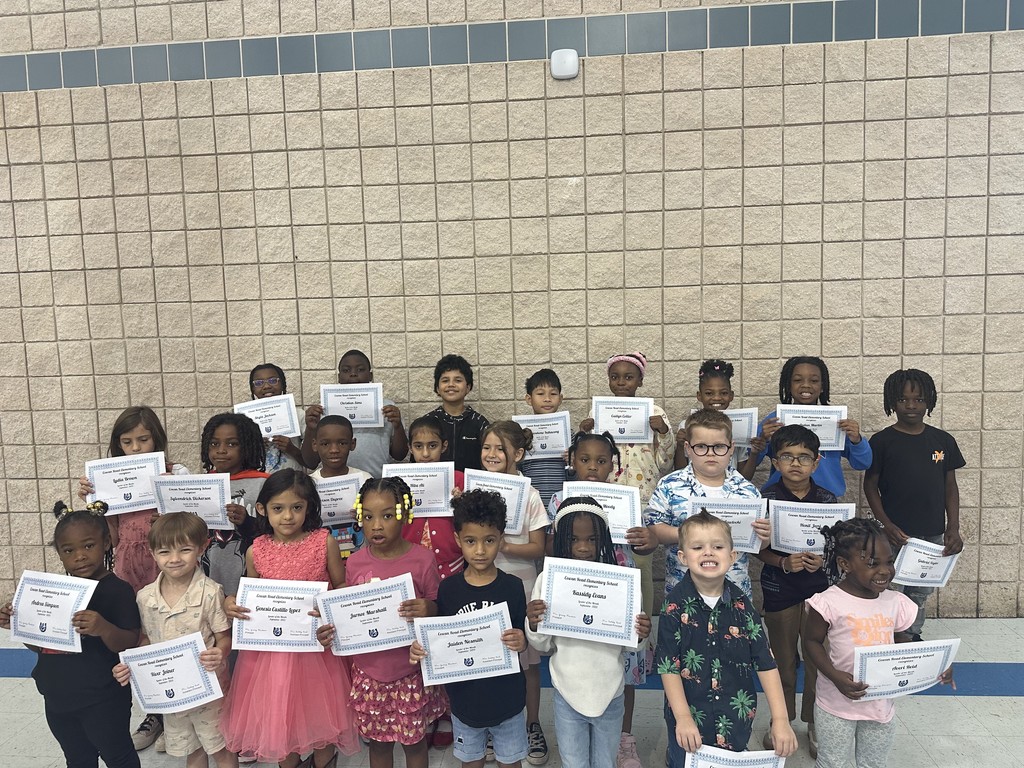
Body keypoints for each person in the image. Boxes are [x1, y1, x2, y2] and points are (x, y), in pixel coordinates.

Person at [221, 470, 359, 767]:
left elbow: (342, 585)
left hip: (316, 650)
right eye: (278, 508)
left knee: (322, 715)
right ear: (262, 509)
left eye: (297, 507)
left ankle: (325, 762)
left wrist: (329, 607)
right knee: (280, 719)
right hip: (270, 656)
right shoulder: (256, 550)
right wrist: (232, 603)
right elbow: (251, 594)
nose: (288, 517)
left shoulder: (324, 542)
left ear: (309, 507)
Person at [75, 406, 190, 751]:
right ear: (118, 445)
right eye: (128, 441)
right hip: (129, 564)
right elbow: (110, 537)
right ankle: (154, 712)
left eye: (144, 439)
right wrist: (94, 501)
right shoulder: (109, 478)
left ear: (157, 439)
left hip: (167, 564)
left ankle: (180, 713)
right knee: (140, 635)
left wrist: (174, 494)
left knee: (173, 631)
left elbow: (191, 522)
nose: (137, 447)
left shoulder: (175, 472)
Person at [544, 431, 657, 768]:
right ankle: (577, 727)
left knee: (624, 668)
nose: (592, 467)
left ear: (613, 464)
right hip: (577, 593)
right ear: (571, 461)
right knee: (581, 662)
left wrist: (642, 539)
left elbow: (646, 546)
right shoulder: (558, 500)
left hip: (617, 592)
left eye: (601, 460)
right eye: (584, 459)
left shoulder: (627, 498)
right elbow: (550, 548)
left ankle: (623, 738)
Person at [317, 477, 448, 768]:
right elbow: (350, 616)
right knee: (378, 745)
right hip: (369, 672)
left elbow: (440, 609)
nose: (377, 525)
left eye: (388, 516)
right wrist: (330, 628)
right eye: (368, 516)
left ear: (405, 515)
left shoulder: (422, 560)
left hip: (410, 671)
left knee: (414, 744)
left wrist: (428, 607)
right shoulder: (354, 563)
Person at [803, 518, 954, 768]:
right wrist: (835, 676)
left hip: (879, 705)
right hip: (836, 704)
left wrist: (935, 664)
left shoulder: (895, 601)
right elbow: (811, 642)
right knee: (832, 763)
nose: (884, 570)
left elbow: (901, 639)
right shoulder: (828, 602)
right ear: (844, 564)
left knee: (873, 764)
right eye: (872, 563)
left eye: (889, 562)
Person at [0, 502, 141, 768]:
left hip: (103, 698)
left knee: (118, 756)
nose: (79, 556)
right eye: (69, 550)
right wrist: (20, 624)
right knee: (77, 758)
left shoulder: (117, 590)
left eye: (88, 546)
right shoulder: (55, 592)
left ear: (107, 543)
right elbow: (41, 646)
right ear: (60, 555)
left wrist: (103, 628)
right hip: (56, 696)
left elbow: (129, 640)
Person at [656, 510, 796, 764]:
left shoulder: (744, 607)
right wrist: (684, 718)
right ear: (683, 557)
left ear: (732, 557)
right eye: (698, 547)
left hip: (735, 719)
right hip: (688, 720)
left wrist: (781, 721)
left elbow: (766, 663)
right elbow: (668, 666)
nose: (708, 552)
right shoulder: (673, 607)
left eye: (717, 546)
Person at [526, 498, 652, 768]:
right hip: (567, 691)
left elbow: (631, 647)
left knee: (605, 761)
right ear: (561, 540)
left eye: (592, 539)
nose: (583, 547)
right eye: (573, 539)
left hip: (611, 692)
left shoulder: (621, 582)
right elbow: (544, 645)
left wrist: (640, 634)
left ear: (604, 539)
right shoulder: (547, 581)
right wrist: (534, 623)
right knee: (573, 762)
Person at [409, 489, 530, 768]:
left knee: (510, 762)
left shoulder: (512, 587)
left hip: (507, 699)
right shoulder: (449, 589)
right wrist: (421, 648)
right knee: (470, 762)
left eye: (489, 541)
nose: (479, 550)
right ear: (457, 540)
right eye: (470, 541)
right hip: (464, 702)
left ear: (501, 539)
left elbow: (522, 639)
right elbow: (440, 640)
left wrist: (521, 641)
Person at [112, 513, 237, 768]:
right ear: (152, 552)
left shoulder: (211, 592)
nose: (175, 559)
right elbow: (146, 639)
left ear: (202, 548)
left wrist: (220, 653)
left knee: (220, 749)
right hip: (171, 694)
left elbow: (224, 637)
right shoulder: (145, 597)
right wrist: (132, 664)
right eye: (165, 551)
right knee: (192, 751)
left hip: (208, 691)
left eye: (185, 550)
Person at [863, 368, 965, 641]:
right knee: (888, 586)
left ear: (929, 401)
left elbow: (950, 487)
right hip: (894, 534)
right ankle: (885, 635)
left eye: (918, 399)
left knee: (921, 589)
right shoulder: (882, 442)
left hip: (932, 533)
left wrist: (952, 528)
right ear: (891, 402)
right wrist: (887, 525)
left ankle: (911, 635)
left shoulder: (943, 441)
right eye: (902, 399)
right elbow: (870, 486)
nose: (911, 405)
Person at [753, 424, 835, 757]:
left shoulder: (828, 501)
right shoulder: (766, 499)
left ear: (816, 462)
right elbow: (755, 549)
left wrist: (824, 561)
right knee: (782, 664)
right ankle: (781, 722)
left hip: (820, 595)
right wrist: (783, 563)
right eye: (787, 456)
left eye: (804, 457)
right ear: (774, 462)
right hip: (779, 591)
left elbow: (838, 551)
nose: (796, 464)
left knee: (819, 662)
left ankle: (815, 723)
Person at [580, 352, 673, 634]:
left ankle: (642, 632)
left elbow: (665, 463)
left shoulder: (655, 412)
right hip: (605, 503)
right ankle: (608, 626)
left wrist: (664, 434)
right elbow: (586, 459)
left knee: (640, 567)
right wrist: (584, 433)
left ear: (640, 380)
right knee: (607, 565)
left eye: (629, 377)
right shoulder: (597, 413)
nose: (621, 383)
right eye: (615, 377)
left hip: (640, 506)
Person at [480, 421, 550, 765]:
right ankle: (492, 726)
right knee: (489, 657)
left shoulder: (530, 494)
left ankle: (531, 724)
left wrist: (502, 544)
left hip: (520, 586)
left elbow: (538, 547)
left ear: (518, 454)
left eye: (499, 449)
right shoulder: (474, 489)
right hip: (482, 586)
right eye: (487, 448)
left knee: (526, 662)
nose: (491, 455)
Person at [645, 409, 769, 600]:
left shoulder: (747, 491)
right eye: (701, 447)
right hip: (684, 595)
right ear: (687, 448)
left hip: (734, 593)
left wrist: (765, 537)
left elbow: (760, 545)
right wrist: (692, 535)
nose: (710, 454)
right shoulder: (670, 485)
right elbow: (653, 528)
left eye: (719, 447)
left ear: (731, 447)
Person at [744, 356, 871, 497]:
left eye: (814, 380)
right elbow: (751, 461)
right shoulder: (775, 420)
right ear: (788, 384)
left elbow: (863, 463)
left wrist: (857, 441)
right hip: (781, 497)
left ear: (822, 386)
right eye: (798, 380)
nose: (806, 385)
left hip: (825, 499)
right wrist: (763, 440)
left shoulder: (837, 422)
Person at [302, 349, 409, 477]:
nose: (353, 374)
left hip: (376, 483)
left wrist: (397, 426)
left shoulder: (387, 408)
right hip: (334, 484)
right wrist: (310, 428)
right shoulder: (323, 410)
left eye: (360, 369)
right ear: (339, 377)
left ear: (371, 376)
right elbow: (310, 462)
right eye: (346, 370)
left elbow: (399, 455)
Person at [199, 413, 269, 600]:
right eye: (214, 444)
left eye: (232, 444)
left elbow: (275, 532)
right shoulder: (199, 483)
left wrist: (247, 521)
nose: (221, 450)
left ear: (247, 446)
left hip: (249, 572)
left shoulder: (263, 484)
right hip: (208, 570)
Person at [672, 359, 766, 476]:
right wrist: (680, 447)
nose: (717, 398)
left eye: (724, 393)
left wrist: (754, 453)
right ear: (699, 396)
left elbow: (745, 477)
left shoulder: (739, 426)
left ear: (731, 396)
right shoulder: (686, 425)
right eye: (709, 393)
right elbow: (679, 472)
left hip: (730, 490)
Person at [402, 414, 466, 582]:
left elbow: (471, 521)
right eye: (418, 446)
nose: (425, 453)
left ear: (444, 446)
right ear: (410, 448)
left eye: (432, 446)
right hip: (409, 566)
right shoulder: (398, 482)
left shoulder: (458, 480)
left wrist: (463, 502)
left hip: (451, 563)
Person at [309, 415, 372, 558]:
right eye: (325, 444)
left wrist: (366, 516)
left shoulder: (365, 479)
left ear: (352, 444)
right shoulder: (308, 483)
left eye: (342, 443)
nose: (334, 450)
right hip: (320, 558)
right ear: (315, 444)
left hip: (361, 556)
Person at [425, 353, 490, 472]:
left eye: (458, 380)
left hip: (471, 488)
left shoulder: (480, 423)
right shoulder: (428, 422)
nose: (451, 385)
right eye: (445, 380)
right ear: (437, 389)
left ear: (468, 387)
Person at [519, 368, 569, 508]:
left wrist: (571, 463)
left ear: (560, 399)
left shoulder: (569, 435)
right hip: (530, 502)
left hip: (561, 502)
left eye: (553, 394)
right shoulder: (520, 435)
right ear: (529, 399)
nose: (547, 399)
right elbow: (515, 470)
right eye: (540, 394)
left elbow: (575, 476)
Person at [247, 363, 307, 473]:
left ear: (283, 384)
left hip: (291, 483)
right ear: (253, 389)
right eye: (259, 383)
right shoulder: (245, 419)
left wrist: (291, 449)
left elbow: (311, 462)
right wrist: (255, 448)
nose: (266, 386)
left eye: (273, 381)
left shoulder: (298, 415)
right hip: (257, 485)